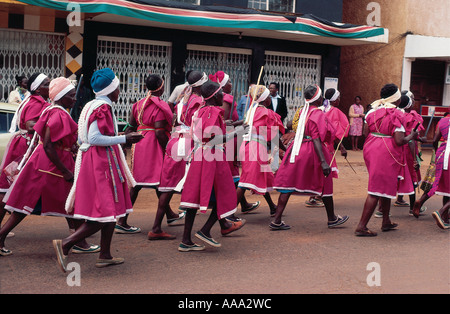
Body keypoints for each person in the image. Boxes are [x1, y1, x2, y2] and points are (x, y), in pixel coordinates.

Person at [53, 68, 143, 272]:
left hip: (97, 160)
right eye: (118, 87)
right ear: (112, 90)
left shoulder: (91, 105)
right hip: (101, 162)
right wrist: (125, 138)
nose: (120, 91)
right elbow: (94, 138)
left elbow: (84, 136)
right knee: (104, 212)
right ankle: (66, 243)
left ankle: (105, 254)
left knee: (112, 209)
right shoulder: (103, 107)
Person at [0, 77, 95, 256]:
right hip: (50, 167)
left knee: (30, 205)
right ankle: (79, 241)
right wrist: (66, 170)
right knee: (64, 201)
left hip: (48, 164)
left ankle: (79, 240)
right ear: (61, 96)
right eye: (72, 96)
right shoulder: (57, 113)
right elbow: (49, 145)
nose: (75, 99)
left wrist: (71, 146)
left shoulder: (53, 110)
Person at [178, 81, 246, 251]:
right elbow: (214, 138)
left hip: (201, 155)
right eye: (221, 92)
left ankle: (186, 240)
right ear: (215, 95)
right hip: (212, 156)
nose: (223, 95)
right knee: (225, 194)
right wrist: (236, 133)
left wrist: (233, 127)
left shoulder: (201, 110)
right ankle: (205, 230)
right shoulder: (212, 111)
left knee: (194, 197)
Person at [271, 85, 349, 230]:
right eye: (320, 96)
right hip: (311, 150)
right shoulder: (317, 114)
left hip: (297, 148)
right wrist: (324, 162)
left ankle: (276, 220)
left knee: (287, 184)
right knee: (325, 182)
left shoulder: (302, 111)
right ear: (318, 98)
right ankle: (331, 218)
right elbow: (316, 138)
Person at [355, 84, 418, 237]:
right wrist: (412, 136)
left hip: (371, 147)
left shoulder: (372, 110)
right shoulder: (397, 114)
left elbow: (365, 132)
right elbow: (399, 140)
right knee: (376, 190)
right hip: (386, 151)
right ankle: (361, 226)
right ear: (397, 99)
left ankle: (386, 221)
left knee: (386, 185)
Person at [151, 71, 208, 240]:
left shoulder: (183, 98)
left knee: (168, 185)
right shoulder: (198, 101)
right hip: (187, 142)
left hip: (175, 140)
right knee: (192, 184)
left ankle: (156, 226)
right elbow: (198, 128)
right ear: (201, 84)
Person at [115, 74, 175, 234]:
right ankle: (155, 224)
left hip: (139, 145)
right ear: (161, 87)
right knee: (161, 181)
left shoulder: (138, 104)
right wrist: (169, 149)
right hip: (153, 146)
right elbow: (160, 133)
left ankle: (123, 220)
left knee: (138, 182)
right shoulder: (160, 106)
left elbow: (131, 126)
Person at [0, 73, 50, 237]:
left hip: (22, 144)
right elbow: (30, 125)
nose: (50, 87)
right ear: (37, 88)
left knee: (8, 189)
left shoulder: (33, 100)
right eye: (47, 84)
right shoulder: (37, 103)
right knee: (12, 190)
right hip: (26, 147)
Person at [237, 85, 285, 216]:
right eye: (269, 96)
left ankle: (272, 206)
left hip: (247, 146)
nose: (270, 98)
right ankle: (228, 214)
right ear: (265, 99)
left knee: (261, 177)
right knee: (246, 181)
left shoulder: (251, 111)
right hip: (255, 148)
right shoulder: (266, 113)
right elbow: (275, 135)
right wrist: (285, 149)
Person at [305, 88, 349, 208]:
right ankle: (319, 196)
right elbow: (334, 130)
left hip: (314, 143)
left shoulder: (317, 109)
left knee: (316, 169)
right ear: (335, 100)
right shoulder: (335, 111)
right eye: (338, 98)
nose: (340, 100)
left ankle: (313, 196)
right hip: (325, 144)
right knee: (325, 170)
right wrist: (342, 147)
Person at [412, 108, 449, 225]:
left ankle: (444, 216)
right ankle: (442, 212)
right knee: (441, 184)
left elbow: (435, 139)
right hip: (445, 153)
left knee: (438, 183)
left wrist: (436, 152)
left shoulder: (442, 121)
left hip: (440, 152)